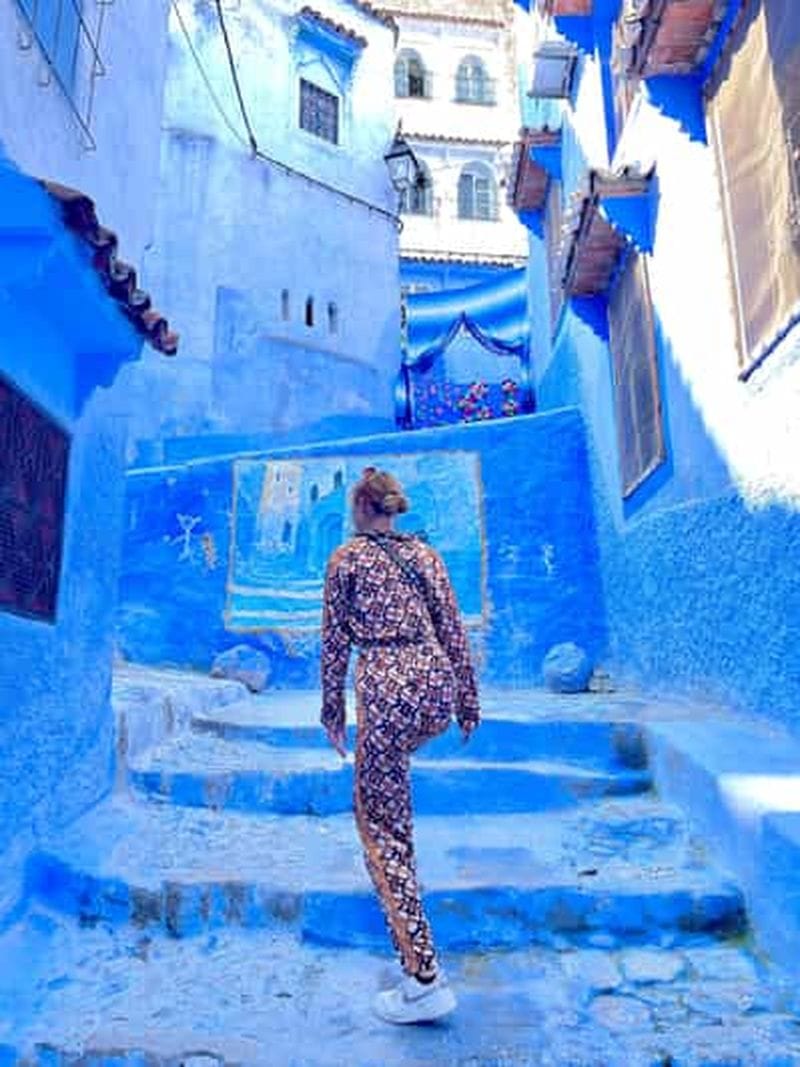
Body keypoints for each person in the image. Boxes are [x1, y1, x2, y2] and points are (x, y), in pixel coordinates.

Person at [320, 467, 481, 1025]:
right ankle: (417, 961)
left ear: (362, 508)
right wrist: (467, 700)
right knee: (394, 811)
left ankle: (424, 978)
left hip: (386, 690)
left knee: (379, 827)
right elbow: (453, 628)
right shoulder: (427, 556)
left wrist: (332, 710)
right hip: (434, 686)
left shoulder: (346, 559)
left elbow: (335, 642)